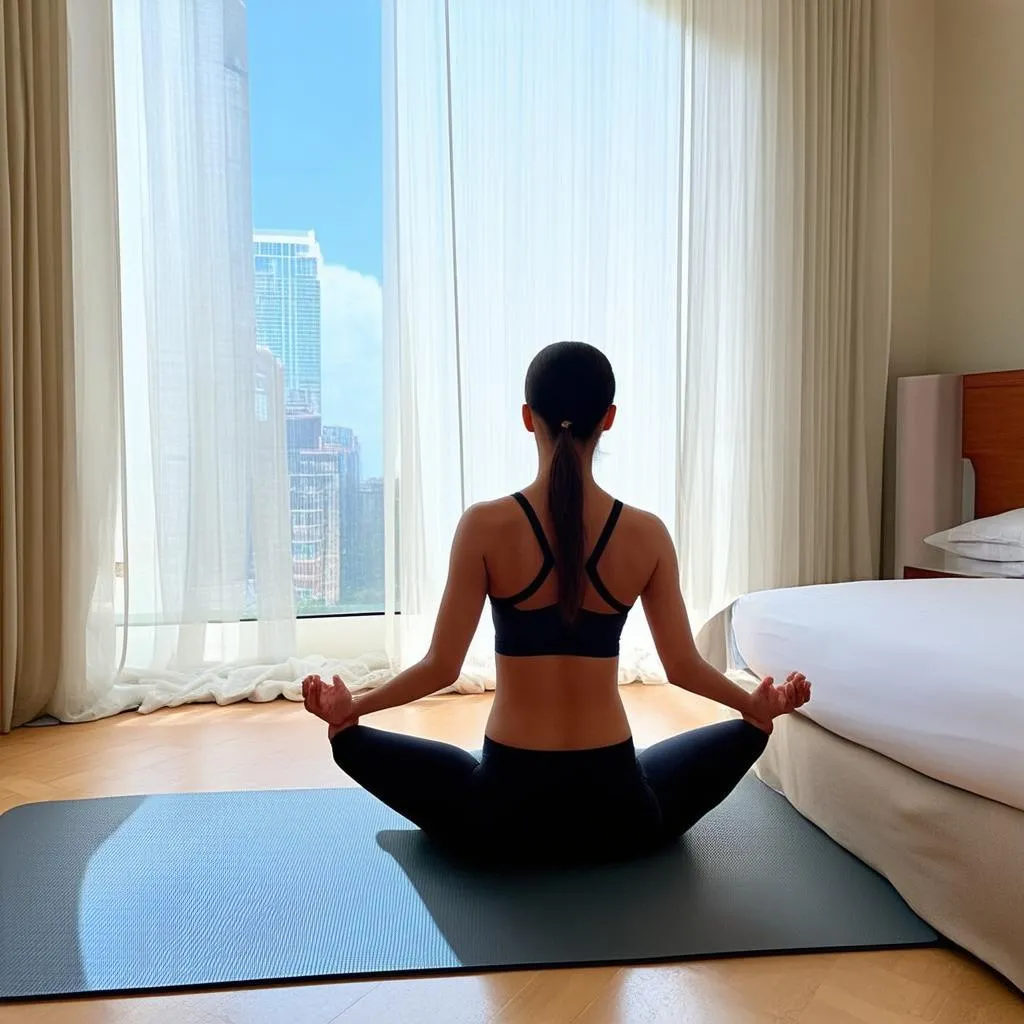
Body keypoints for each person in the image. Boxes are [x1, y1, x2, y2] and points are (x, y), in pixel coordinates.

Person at [302, 341, 811, 867]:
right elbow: (683, 667)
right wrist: (755, 707)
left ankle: (353, 731)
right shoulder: (646, 534)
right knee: (749, 734)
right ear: (608, 419)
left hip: (500, 816)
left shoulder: (485, 526)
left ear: (528, 417)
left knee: (353, 743)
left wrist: (353, 709)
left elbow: (441, 667)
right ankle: (747, 725)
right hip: (621, 815)